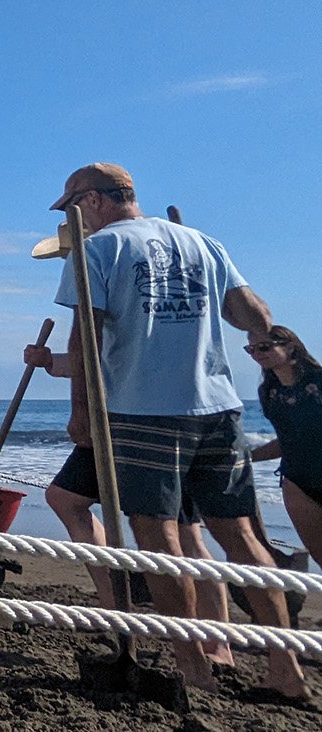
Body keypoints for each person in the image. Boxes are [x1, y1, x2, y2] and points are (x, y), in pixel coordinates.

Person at [50, 162, 301, 695]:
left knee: (160, 539)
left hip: (144, 411)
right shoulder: (201, 242)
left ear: (92, 201)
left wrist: (83, 416)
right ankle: (287, 667)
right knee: (241, 536)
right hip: (218, 408)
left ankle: (194, 667)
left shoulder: (98, 251)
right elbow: (254, 316)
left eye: (73, 207)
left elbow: (86, 346)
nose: (75, 219)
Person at [24, 345, 235, 667]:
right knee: (65, 498)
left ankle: (218, 646)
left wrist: (56, 362)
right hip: (108, 423)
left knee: (185, 532)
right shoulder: (111, 308)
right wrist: (53, 361)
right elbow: (103, 356)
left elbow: (123, 357)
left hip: (162, 422)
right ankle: (119, 608)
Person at [245, 325, 322, 570]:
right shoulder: (269, 392)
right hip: (298, 482)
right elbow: (287, 441)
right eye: (252, 349)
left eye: (265, 347)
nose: (258, 353)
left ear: (290, 347)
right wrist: (246, 458)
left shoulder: (318, 381)